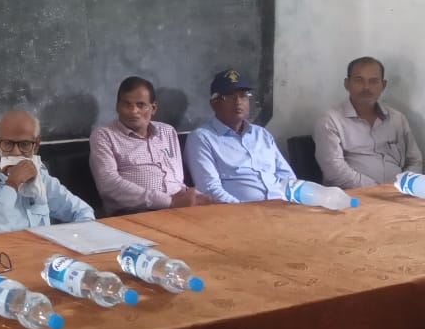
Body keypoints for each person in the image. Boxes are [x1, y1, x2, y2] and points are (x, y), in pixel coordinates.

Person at [0, 109, 95, 234]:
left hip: (41, 253)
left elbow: (83, 212)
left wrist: (72, 241)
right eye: (7, 144)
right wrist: (12, 184)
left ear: (36, 146)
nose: (15, 152)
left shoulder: (39, 174)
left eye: (24, 144)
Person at [90, 76, 210, 215]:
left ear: (153, 108)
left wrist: (200, 198)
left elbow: (177, 181)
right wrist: (169, 202)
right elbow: (109, 186)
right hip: (135, 213)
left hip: (179, 207)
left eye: (140, 105)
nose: (133, 111)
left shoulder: (168, 132)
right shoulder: (104, 135)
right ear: (117, 106)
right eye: (126, 104)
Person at [185, 69, 295, 203]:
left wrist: (292, 203)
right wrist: (243, 211)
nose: (238, 102)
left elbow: (287, 177)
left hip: (283, 207)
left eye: (243, 95)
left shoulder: (261, 134)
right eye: (230, 96)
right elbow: (209, 189)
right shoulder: (202, 138)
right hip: (241, 214)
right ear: (214, 104)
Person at [313, 56, 423, 188]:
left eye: (373, 81)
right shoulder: (330, 121)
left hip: (398, 195)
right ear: (347, 84)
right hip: (353, 198)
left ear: (383, 85)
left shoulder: (397, 119)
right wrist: (380, 191)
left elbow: (415, 161)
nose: (366, 87)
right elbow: (335, 173)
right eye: (359, 81)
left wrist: (404, 186)